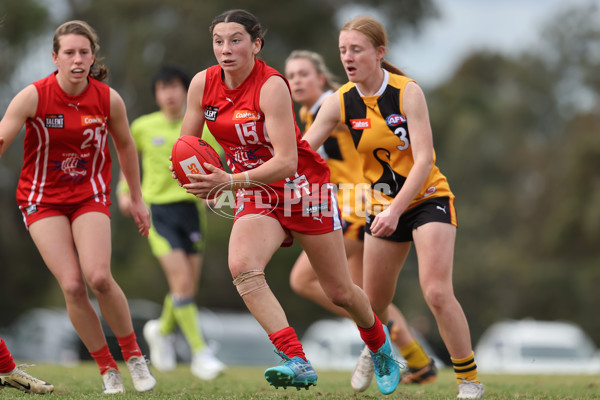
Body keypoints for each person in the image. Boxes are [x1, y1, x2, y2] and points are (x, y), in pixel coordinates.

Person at [176, 9, 401, 395]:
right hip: (255, 192)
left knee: (340, 291)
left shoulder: (271, 86)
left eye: (236, 40)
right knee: (243, 267)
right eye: (218, 41)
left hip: (302, 189)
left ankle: (381, 347)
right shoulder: (202, 84)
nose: (225, 49)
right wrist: (189, 172)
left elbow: (287, 161)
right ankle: (296, 360)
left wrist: (228, 179)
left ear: (255, 45)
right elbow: (188, 145)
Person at [302, 16, 485, 399]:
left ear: (379, 52)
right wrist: (250, 176)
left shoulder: (407, 92)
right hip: (381, 207)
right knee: (373, 303)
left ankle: (469, 381)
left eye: (356, 49)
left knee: (435, 291)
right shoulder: (340, 101)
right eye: (342, 51)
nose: (347, 58)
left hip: (426, 199)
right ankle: (376, 346)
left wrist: (395, 210)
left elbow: (423, 161)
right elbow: (302, 152)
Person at [0, 20, 155, 394]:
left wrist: (136, 197)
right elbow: (3, 133)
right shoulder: (34, 95)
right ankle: (106, 369)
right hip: (42, 201)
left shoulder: (107, 99)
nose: (77, 58)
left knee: (99, 277)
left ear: (92, 57)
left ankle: (134, 357)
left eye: (83, 52)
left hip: (90, 196)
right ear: (55, 57)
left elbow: (126, 147)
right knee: (72, 285)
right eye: (69, 52)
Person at [285, 50, 438, 392]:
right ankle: (416, 359)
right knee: (366, 295)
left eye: (303, 74)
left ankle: (384, 340)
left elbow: (366, 119)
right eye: (291, 75)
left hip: (358, 208)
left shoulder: (334, 103)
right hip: (347, 207)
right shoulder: (312, 113)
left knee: (305, 280)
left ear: (322, 80)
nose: (295, 81)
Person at [117, 65, 226, 380]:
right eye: (163, 88)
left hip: (192, 211)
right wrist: (125, 191)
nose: (169, 94)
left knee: (187, 286)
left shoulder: (202, 129)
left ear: (185, 91)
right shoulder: (142, 126)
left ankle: (161, 331)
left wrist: (214, 193)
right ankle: (200, 353)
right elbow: (128, 161)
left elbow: (215, 166)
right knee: (181, 283)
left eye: (175, 87)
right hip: (158, 212)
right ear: (156, 94)